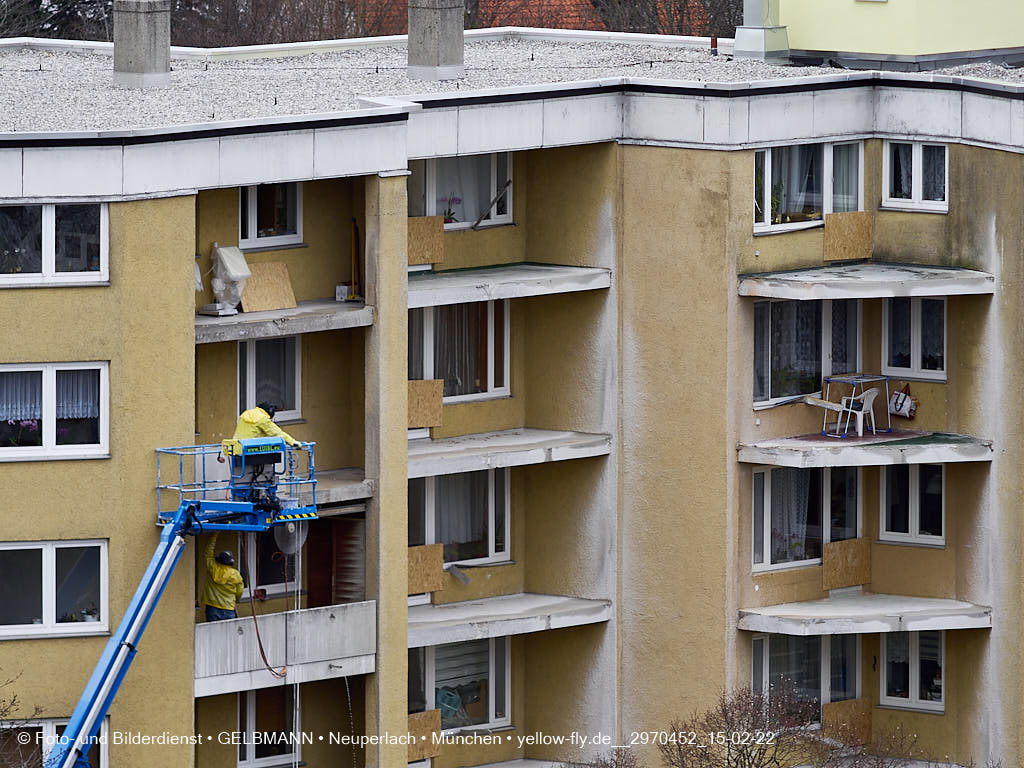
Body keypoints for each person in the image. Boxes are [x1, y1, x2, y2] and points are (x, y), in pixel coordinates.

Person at [201, 532, 245, 621]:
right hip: (228, 608)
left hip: (212, 607)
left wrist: (214, 534)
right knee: (229, 633)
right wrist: (236, 600)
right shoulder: (235, 574)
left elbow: (208, 553)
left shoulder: (212, 568)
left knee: (213, 633)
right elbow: (239, 591)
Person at [232, 402, 300, 445]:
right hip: (250, 450)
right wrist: (292, 442)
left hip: (236, 448)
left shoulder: (246, 413)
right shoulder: (262, 418)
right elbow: (276, 433)